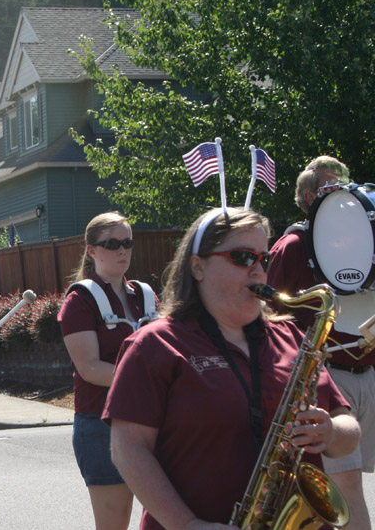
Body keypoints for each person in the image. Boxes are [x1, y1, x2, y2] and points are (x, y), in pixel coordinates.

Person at [104, 207, 360, 529]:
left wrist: (331, 431)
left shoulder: (292, 338)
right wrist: (187, 524)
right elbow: (127, 449)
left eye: (264, 259)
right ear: (198, 267)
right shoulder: (154, 345)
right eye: (242, 257)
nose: (258, 270)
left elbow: (347, 426)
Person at [267, 156, 373, 529]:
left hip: (368, 370)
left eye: (346, 183)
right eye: (333, 186)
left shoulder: (361, 239)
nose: (345, 193)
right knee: (347, 485)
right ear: (311, 197)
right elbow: (273, 314)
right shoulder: (292, 245)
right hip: (327, 375)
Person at [57, 212, 157, 530]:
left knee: (166, 517)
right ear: (92, 250)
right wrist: (147, 383)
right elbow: (89, 368)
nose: (122, 251)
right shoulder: (80, 300)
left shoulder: (145, 295)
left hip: (152, 422)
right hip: (101, 425)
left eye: (127, 242)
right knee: (113, 525)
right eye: (111, 244)